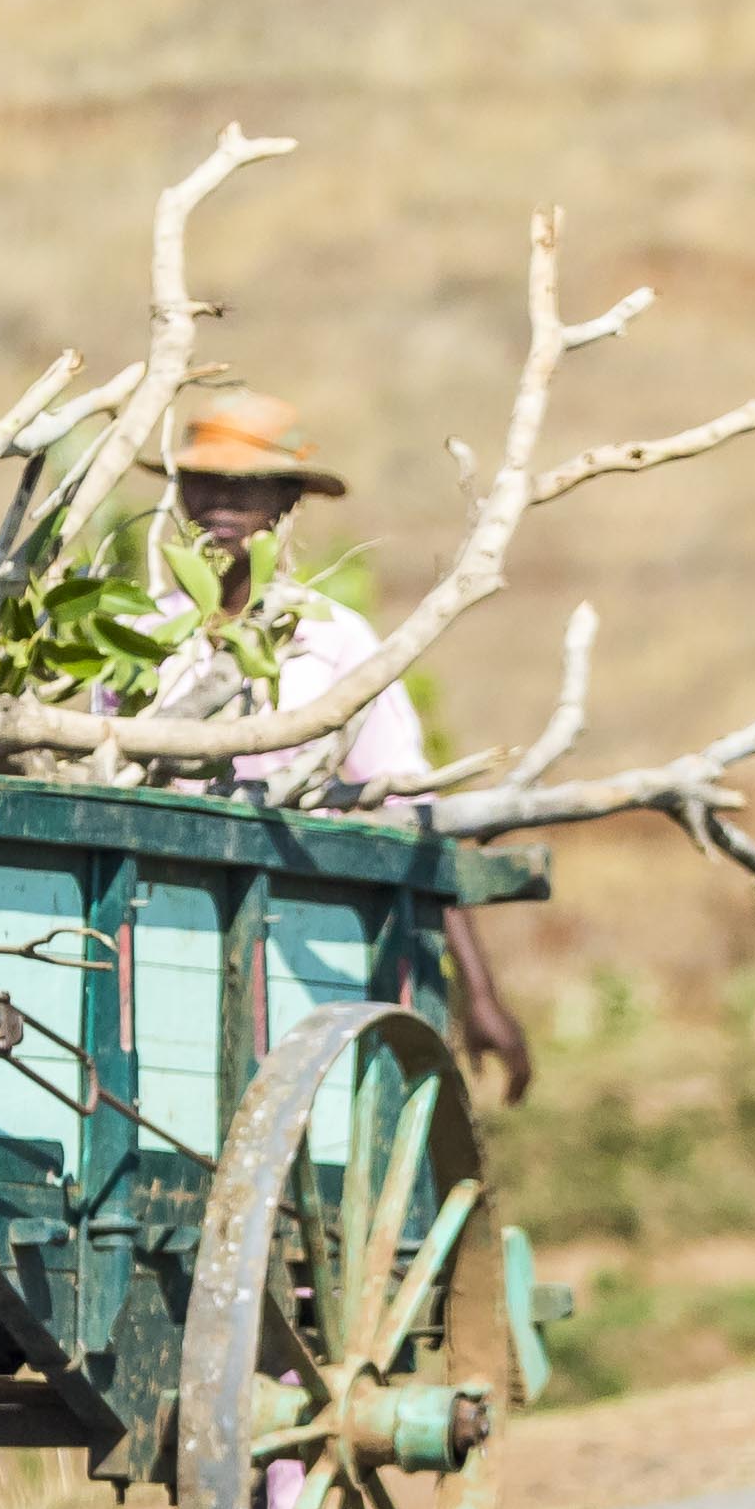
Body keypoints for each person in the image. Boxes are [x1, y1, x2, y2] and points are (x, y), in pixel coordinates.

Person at [139, 392, 534, 1099]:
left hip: (310, 938)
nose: (220, 503)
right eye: (204, 480)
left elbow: (408, 811)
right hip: (163, 936)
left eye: (247, 484)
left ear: (285, 501)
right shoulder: (141, 635)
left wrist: (478, 993)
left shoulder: (332, 637)